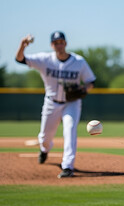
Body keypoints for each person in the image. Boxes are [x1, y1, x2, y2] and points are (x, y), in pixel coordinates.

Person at [15, 31, 96, 178]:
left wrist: (84, 88)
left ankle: (68, 167)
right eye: (56, 43)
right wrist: (22, 45)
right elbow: (20, 59)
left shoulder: (79, 62)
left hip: (71, 103)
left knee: (70, 129)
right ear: (52, 45)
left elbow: (91, 81)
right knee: (45, 138)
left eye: (61, 42)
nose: (59, 45)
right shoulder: (45, 59)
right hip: (51, 103)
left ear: (65, 43)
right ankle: (45, 150)